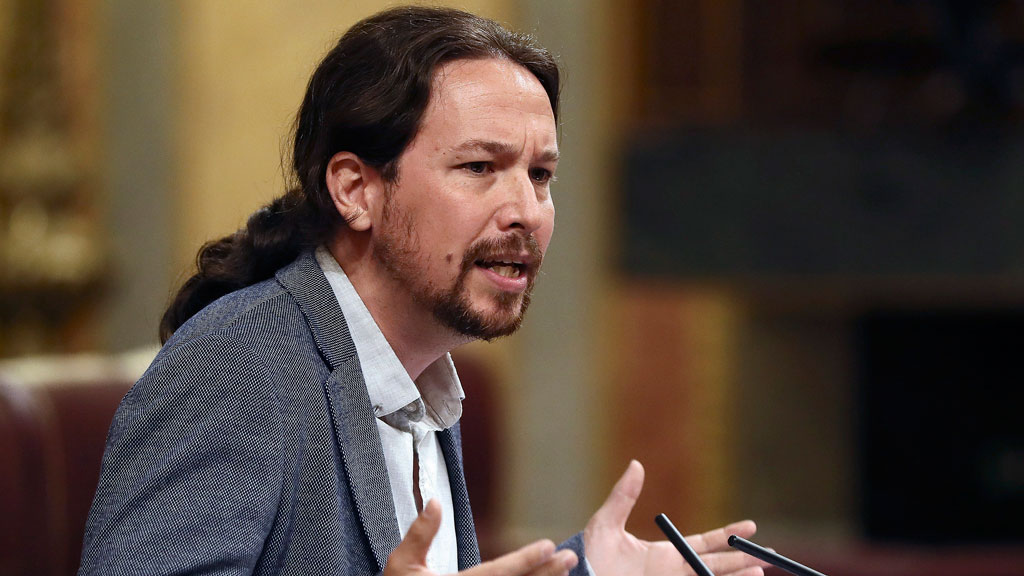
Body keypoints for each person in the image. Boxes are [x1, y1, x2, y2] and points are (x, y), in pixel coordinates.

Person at [79, 6, 767, 576]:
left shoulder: (421, 376)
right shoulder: (236, 366)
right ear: (355, 190)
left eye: (540, 175)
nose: (526, 211)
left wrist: (582, 573)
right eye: (479, 166)